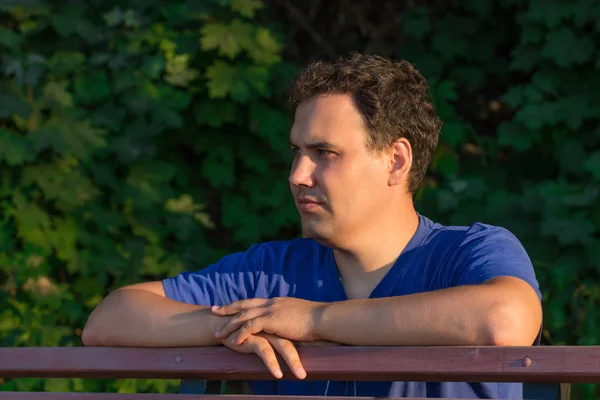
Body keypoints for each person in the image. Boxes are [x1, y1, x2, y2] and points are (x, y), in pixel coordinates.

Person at [82, 53, 543, 399]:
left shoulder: (467, 252)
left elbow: (504, 320)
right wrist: (236, 327)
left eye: (324, 153)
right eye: (296, 152)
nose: (298, 175)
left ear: (395, 160)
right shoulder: (272, 272)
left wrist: (313, 319)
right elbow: (110, 318)